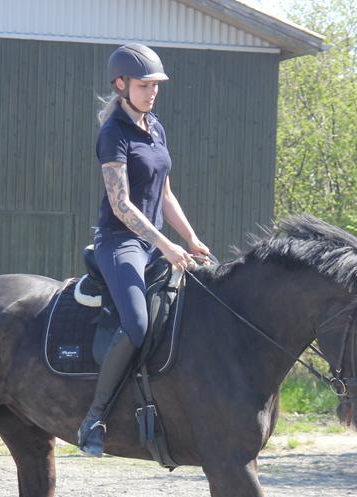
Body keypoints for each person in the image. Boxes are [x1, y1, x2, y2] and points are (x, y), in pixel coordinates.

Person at [77, 43, 211, 457]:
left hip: (157, 243)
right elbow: (121, 205)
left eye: (155, 85)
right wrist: (167, 244)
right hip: (121, 242)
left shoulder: (155, 126)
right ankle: (94, 417)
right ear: (121, 84)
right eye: (144, 84)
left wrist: (190, 238)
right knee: (136, 323)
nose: (152, 92)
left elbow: (165, 193)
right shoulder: (112, 134)